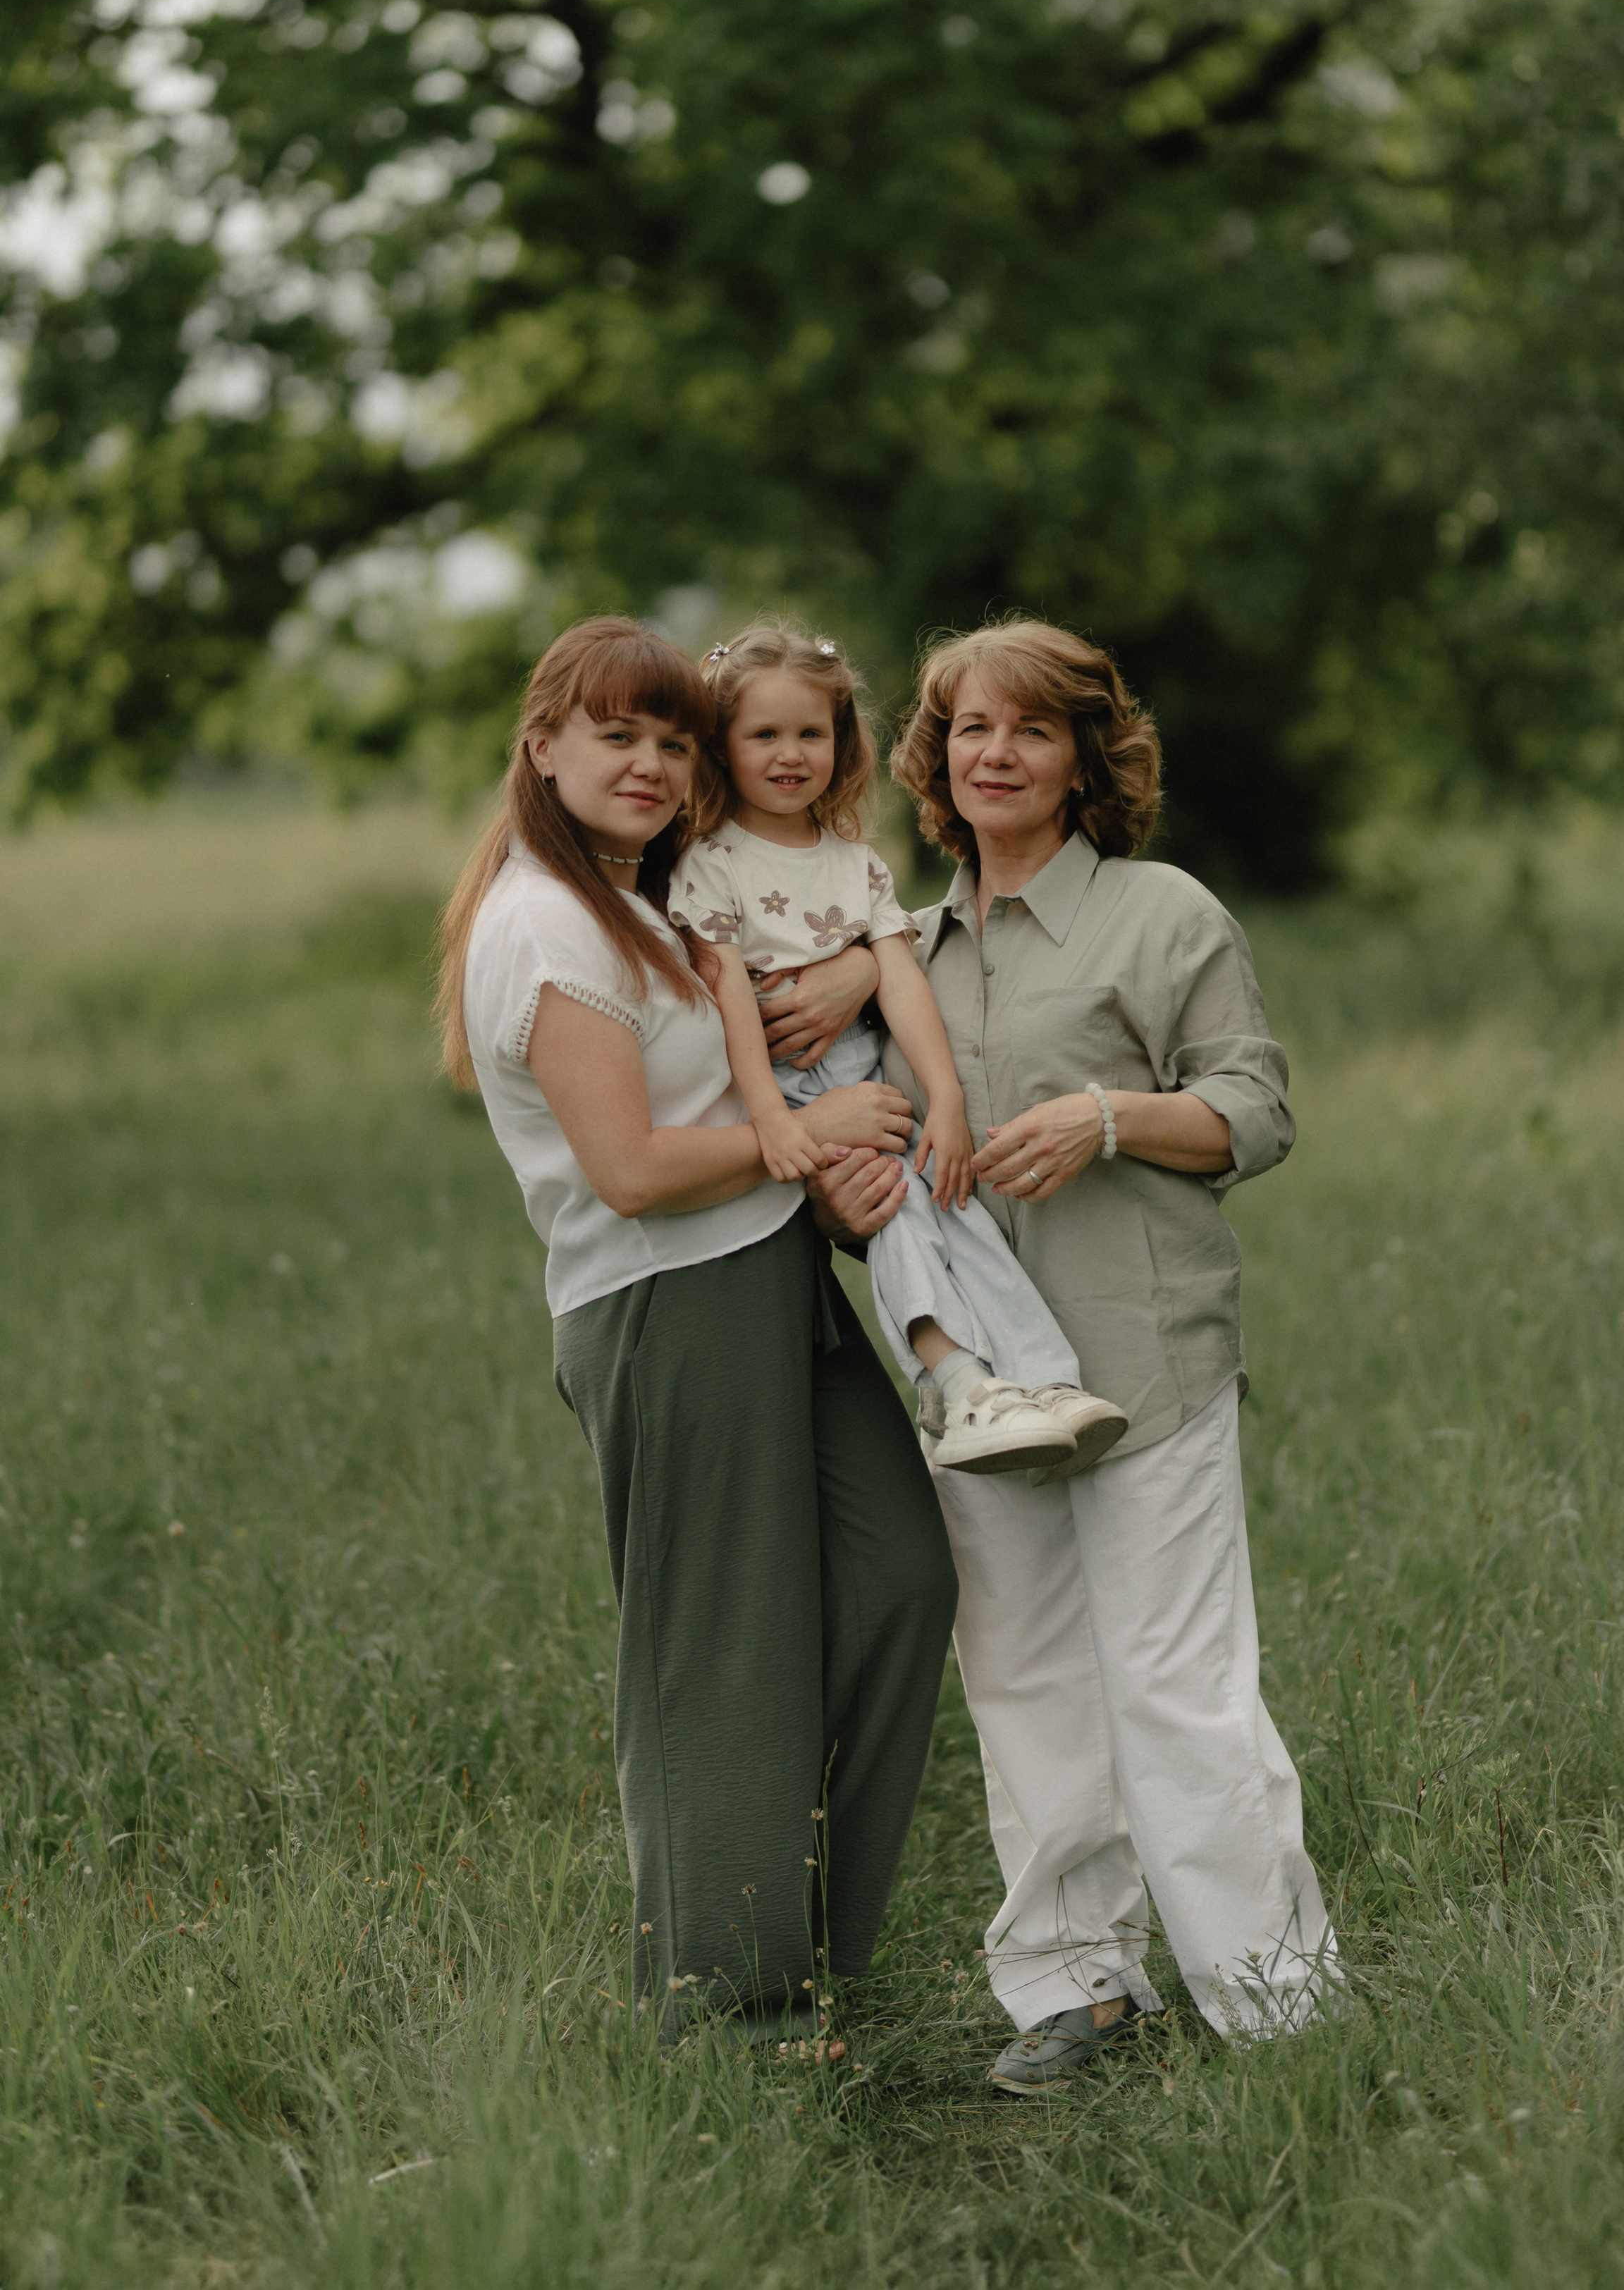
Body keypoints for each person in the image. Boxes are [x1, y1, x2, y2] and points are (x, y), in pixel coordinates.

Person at [812, 620, 1337, 2093]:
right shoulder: (896, 953)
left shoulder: (1163, 915)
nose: (995, 753)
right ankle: (1078, 1986)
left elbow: (1254, 1111)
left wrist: (1108, 1118)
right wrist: (848, 1191)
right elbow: (877, 1181)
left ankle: (1274, 2000)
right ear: (934, 759)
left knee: (1174, 1682)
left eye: (1030, 728)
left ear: (1085, 756)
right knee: (1025, 1679)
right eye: (969, 729)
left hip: (1143, 1354)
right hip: (981, 1387)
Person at [434, 615, 956, 2043]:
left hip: (771, 1271)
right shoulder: (545, 923)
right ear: (543, 746)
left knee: (900, 1577)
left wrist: (855, 988)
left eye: (674, 741)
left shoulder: (646, 894)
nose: (651, 765)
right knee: (722, 1650)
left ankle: (799, 1932)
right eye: (618, 736)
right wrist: (814, 1135)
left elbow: (805, 947)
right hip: (663, 1300)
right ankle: (731, 2012)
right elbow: (633, 1168)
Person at [667, 622, 1128, 1479]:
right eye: (762, 734)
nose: (789, 754)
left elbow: (900, 980)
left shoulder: (856, 865)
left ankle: (1043, 1379)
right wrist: (771, 1117)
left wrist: (944, 1100)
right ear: (721, 747)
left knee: (956, 1204)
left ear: (840, 742)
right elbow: (729, 998)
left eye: (810, 733)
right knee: (898, 1209)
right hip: (789, 1091)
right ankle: (955, 1383)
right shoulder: (709, 862)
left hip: (870, 1078)